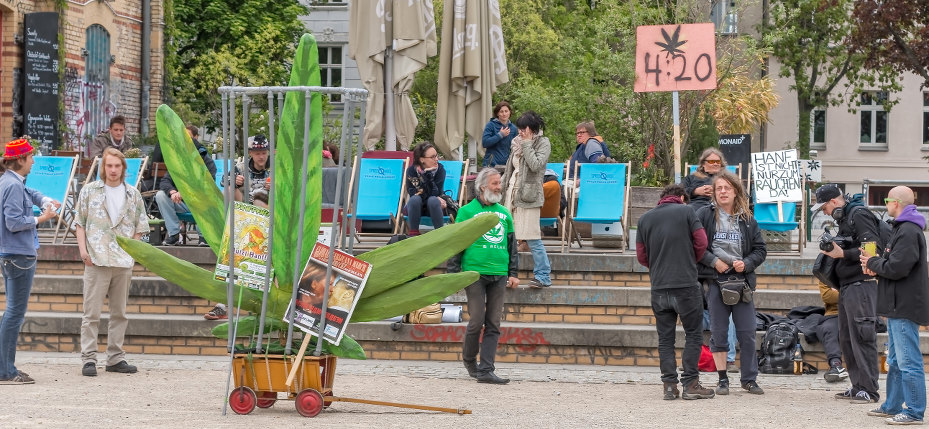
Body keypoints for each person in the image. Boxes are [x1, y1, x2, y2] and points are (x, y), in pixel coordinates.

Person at [636, 183, 715, 400]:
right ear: (681, 197)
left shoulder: (645, 219)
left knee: (665, 339)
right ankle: (691, 384)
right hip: (686, 285)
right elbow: (702, 242)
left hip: (659, 287)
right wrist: (690, 259)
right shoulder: (687, 211)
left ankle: (669, 387)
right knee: (693, 334)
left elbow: (642, 257)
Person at [75, 148, 148, 377]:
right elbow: (80, 223)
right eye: (109, 166)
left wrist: (132, 253)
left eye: (117, 166)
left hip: (122, 261)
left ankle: (115, 358)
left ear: (123, 168)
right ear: (102, 167)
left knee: (120, 313)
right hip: (96, 259)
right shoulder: (89, 191)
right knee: (91, 313)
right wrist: (83, 251)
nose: (113, 170)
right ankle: (89, 359)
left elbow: (140, 227)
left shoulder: (133, 194)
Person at [860, 186, 929, 425]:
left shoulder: (908, 231)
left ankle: (914, 411)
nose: (885, 204)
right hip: (896, 304)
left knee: (909, 361)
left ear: (896, 203)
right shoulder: (903, 229)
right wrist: (876, 264)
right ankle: (892, 405)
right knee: (897, 361)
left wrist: (874, 262)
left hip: (904, 305)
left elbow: (898, 268)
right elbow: (892, 265)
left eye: (887, 200)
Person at [696, 172, 767, 396]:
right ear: (714, 193)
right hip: (716, 280)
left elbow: (760, 250)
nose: (723, 192)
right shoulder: (704, 215)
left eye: (727, 188)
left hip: (742, 282)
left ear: (736, 191)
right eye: (719, 188)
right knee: (718, 332)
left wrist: (745, 264)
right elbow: (696, 246)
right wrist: (713, 261)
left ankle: (749, 379)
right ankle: (723, 378)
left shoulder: (748, 219)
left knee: (747, 332)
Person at [813, 183, 884, 404]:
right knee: (847, 338)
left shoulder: (858, 214)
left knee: (862, 337)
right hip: (848, 286)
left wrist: (842, 253)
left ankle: (869, 390)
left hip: (861, 284)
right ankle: (858, 386)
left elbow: (873, 248)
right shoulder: (846, 218)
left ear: (834, 201)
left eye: (824, 208)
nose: (824, 212)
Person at [448, 168, 518, 385]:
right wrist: (453, 274)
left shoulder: (504, 213)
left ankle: (486, 369)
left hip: (499, 273)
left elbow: (511, 245)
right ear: (482, 187)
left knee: (494, 323)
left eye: (500, 183)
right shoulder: (466, 212)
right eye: (495, 183)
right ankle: (470, 361)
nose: (499, 187)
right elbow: (456, 243)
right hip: (474, 273)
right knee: (476, 321)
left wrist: (513, 273)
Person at [0, 138, 60, 384]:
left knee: (12, 313)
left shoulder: (11, 181)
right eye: (31, 157)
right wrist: (42, 219)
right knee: (14, 313)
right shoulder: (12, 185)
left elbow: (30, 193)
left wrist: (45, 201)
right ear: (20, 160)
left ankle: (6, 367)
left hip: (12, 255)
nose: (34, 161)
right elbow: (13, 223)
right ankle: (5, 371)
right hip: (18, 255)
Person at [501, 111, 552, 288]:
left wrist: (528, 144)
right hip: (512, 193)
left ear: (531, 128)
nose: (520, 132)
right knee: (508, 236)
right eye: (519, 128)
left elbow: (536, 165)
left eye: (523, 128)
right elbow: (510, 170)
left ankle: (543, 276)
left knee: (532, 237)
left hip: (529, 196)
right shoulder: (516, 143)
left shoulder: (543, 143)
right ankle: (505, 274)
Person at [155, 131, 217, 247]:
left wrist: (185, 192)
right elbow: (165, 181)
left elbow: (208, 185)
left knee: (205, 196)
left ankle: (204, 236)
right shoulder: (179, 162)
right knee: (160, 195)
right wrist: (172, 192)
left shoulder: (207, 163)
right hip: (182, 204)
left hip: (202, 203)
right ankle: (174, 234)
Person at [403, 142, 446, 236]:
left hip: (434, 208)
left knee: (433, 200)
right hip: (416, 208)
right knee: (414, 199)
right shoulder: (411, 171)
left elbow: (436, 192)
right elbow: (413, 192)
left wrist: (428, 176)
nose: (437, 159)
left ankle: (440, 235)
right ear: (422, 159)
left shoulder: (440, 170)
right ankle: (413, 234)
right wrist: (424, 175)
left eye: (436, 156)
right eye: (432, 157)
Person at [817, 281, 849, 383]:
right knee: (828, 329)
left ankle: (864, 369)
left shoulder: (863, 268)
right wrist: (852, 293)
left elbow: (867, 293)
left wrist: (838, 292)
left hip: (859, 313)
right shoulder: (825, 273)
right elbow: (827, 296)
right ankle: (836, 365)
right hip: (835, 314)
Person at [230, 135, 271, 203]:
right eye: (257, 154)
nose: (261, 157)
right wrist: (235, 180)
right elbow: (223, 181)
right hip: (245, 208)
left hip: (268, 207)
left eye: (264, 153)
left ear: (268, 152)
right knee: (229, 189)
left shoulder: (276, 169)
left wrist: (275, 187)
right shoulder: (241, 168)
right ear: (250, 153)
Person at [481, 100, 517, 167]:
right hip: (491, 165)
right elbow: (485, 143)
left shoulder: (513, 128)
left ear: (509, 112)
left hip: (507, 165)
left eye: (506, 111)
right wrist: (500, 135)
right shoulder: (490, 125)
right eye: (501, 111)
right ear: (497, 113)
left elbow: (515, 148)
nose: (504, 114)